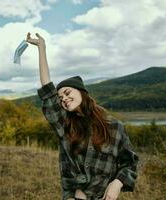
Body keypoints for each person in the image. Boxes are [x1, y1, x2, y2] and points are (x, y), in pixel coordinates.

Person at [26, 32, 139, 200]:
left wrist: (117, 183)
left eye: (66, 92)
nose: (63, 98)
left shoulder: (115, 127)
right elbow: (47, 88)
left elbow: (129, 163)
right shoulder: (64, 125)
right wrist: (42, 48)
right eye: (61, 98)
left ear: (81, 92)